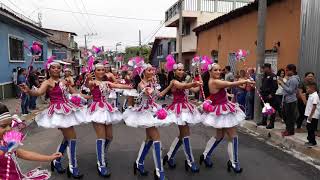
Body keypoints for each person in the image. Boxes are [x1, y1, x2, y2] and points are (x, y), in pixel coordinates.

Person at [19, 60, 88, 178]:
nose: (56, 69)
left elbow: (74, 93)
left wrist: (89, 96)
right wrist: (29, 91)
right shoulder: (47, 82)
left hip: (68, 110)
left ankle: (56, 161)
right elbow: (39, 92)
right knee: (72, 138)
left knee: (68, 138)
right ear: (49, 70)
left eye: (58, 68)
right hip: (58, 113)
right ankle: (73, 167)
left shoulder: (64, 81)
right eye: (53, 68)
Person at [199, 63, 254, 173]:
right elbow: (230, 83)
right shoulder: (214, 81)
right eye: (216, 70)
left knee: (219, 136)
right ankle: (234, 163)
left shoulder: (214, 81)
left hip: (223, 109)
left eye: (220, 70)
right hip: (222, 111)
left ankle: (205, 155)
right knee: (233, 136)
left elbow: (221, 93)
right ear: (210, 72)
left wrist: (229, 97)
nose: (219, 72)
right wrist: (245, 81)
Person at [123, 63, 173, 180]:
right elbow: (147, 93)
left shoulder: (152, 82)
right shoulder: (141, 83)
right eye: (149, 70)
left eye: (152, 70)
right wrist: (148, 87)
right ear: (143, 72)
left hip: (153, 110)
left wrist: (170, 86)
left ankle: (139, 163)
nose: (152, 72)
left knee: (149, 139)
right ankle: (159, 171)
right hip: (145, 112)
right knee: (156, 139)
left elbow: (159, 95)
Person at [86, 63, 132, 177]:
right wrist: (88, 79)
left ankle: (102, 154)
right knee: (101, 137)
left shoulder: (107, 83)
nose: (101, 71)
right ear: (94, 71)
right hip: (97, 109)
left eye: (103, 70)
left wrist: (130, 86)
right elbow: (89, 85)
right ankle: (101, 164)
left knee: (109, 137)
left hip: (107, 108)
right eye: (99, 70)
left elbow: (118, 86)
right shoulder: (93, 82)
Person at [0, 103, 62, 179]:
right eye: (3, 126)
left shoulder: (6, 140)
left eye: (10, 125)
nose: (9, 129)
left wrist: (49, 158)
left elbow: (23, 153)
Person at [163, 62, 202, 173]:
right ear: (174, 71)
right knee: (186, 135)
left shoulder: (185, 81)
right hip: (178, 109)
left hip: (186, 107)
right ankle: (190, 161)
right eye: (179, 70)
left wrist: (199, 84)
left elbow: (194, 90)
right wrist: (194, 83)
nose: (181, 71)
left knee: (182, 135)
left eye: (182, 69)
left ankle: (169, 156)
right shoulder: (173, 82)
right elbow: (183, 86)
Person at [278, 64, 300, 136]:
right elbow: (288, 86)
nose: (286, 72)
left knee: (290, 117)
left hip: (291, 100)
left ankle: (290, 131)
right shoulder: (290, 78)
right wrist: (283, 81)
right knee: (286, 116)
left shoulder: (294, 79)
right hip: (287, 100)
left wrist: (282, 84)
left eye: (287, 70)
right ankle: (288, 130)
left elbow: (290, 90)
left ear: (292, 70)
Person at [257, 63, 278, 129]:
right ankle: (264, 121)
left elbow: (275, 86)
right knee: (264, 108)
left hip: (269, 95)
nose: (263, 69)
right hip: (264, 95)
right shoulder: (264, 76)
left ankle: (271, 124)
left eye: (264, 68)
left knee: (271, 109)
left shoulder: (273, 76)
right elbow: (263, 85)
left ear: (268, 68)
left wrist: (271, 94)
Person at [304, 82, 319, 147]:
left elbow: (314, 106)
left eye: (307, 88)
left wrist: (310, 116)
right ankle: (310, 140)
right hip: (310, 115)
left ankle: (313, 142)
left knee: (311, 129)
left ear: (312, 88)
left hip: (313, 116)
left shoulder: (315, 96)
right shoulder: (311, 95)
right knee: (309, 128)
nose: (306, 90)